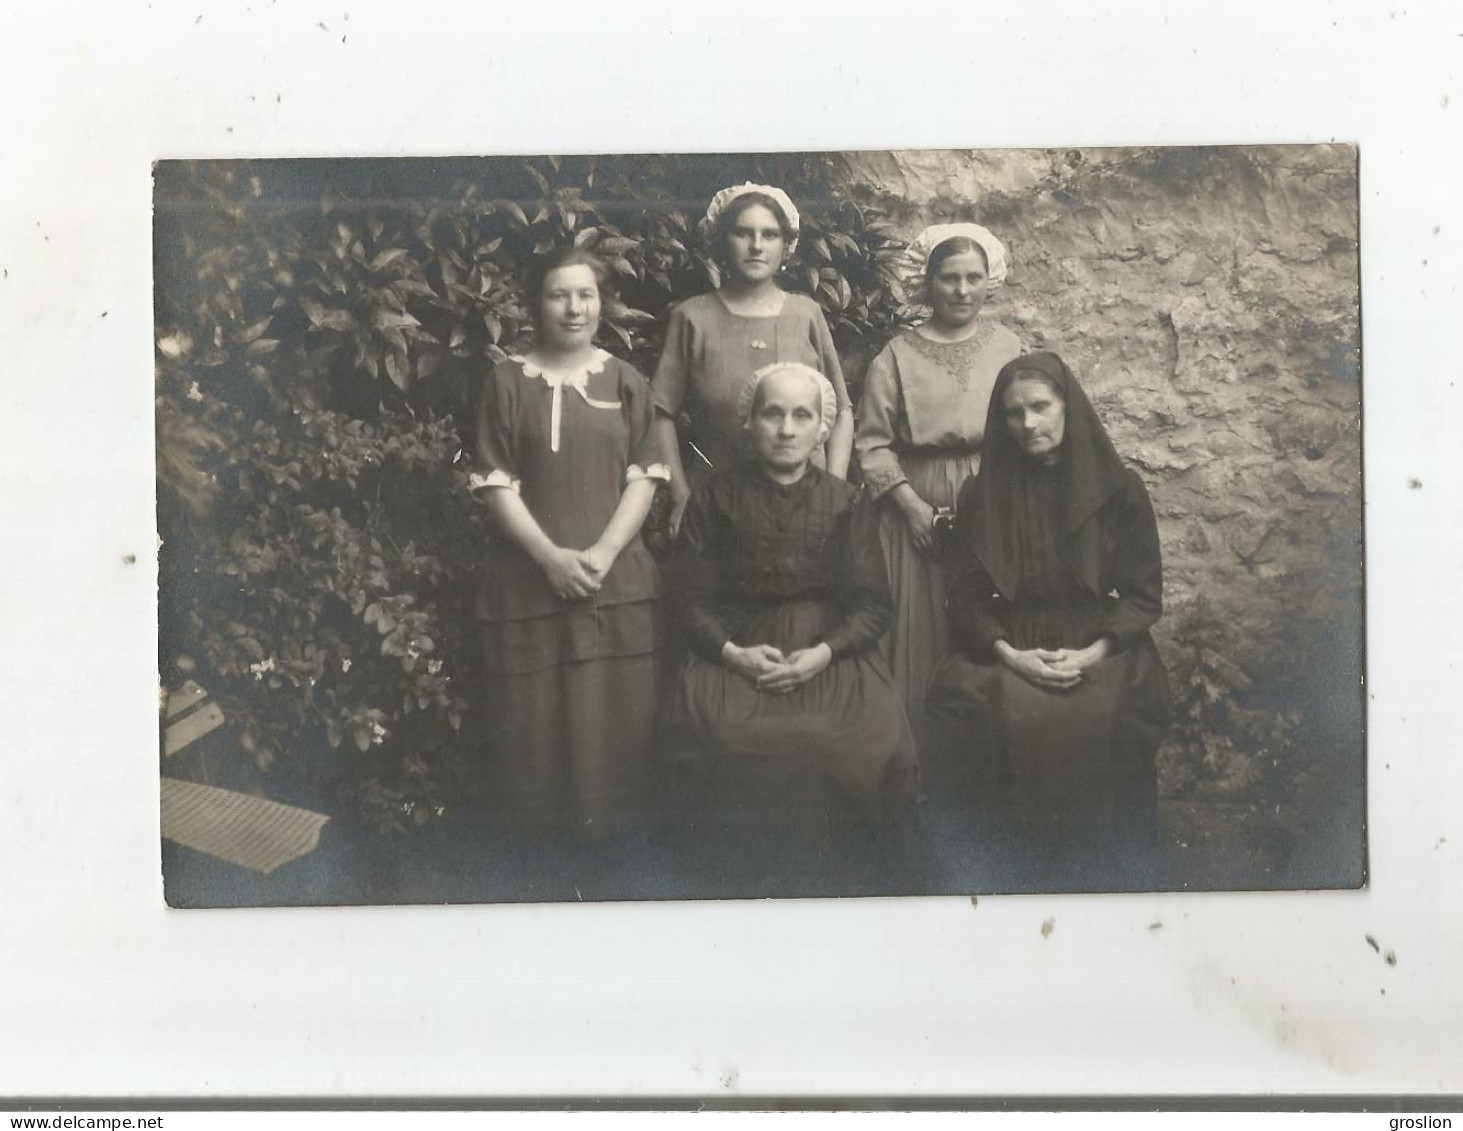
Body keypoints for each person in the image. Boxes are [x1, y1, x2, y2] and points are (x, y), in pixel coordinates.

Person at [927, 352, 1171, 879]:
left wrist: (1091, 654)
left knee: (1099, 713)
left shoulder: (1121, 490)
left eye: (1040, 406)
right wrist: (1013, 657)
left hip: (1097, 640)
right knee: (1002, 711)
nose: (1028, 423)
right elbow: (964, 600)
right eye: (1014, 413)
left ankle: (1103, 874)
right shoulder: (981, 494)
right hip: (1012, 640)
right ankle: (1010, 874)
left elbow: (1142, 596)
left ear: (1068, 407)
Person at [659, 361, 917, 827]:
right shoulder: (713, 497)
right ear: (749, 421)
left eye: (802, 416)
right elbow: (686, 599)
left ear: (822, 429)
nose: (785, 429)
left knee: (849, 735)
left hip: (827, 648)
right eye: (772, 414)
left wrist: (823, 653)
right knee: (722, 735)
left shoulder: (846, 501)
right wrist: (733, 654)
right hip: (734, 645)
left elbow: (873, 605)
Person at [470, 247, 669, 839]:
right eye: (559, 294)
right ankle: (540, 863)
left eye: (585, 295)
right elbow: (494, 482)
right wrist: (551, 559)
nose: (574, 308)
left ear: (602, 302)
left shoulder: (624, 380)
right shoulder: (506, 381)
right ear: (536, 303)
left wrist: (603, 555)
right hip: (530, 579)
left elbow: (646, 476)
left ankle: (614, 858)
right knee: (533, 727)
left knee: (613, 721)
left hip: (615, 580)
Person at [855, 223, 1022, 750]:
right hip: (917, 501)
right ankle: (915, 762)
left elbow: (1025, 425)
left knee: (986, 620)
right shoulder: (897, 356)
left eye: (974, 277)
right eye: (949, 278)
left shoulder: (1008, 345)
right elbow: (872, 443)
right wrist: (910, 509)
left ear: (989, 280)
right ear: (928, 283)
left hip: (990, 491)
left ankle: (980, 768)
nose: (962, 290)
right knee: (921, 626)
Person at [652, 182, 854, 533]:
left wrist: (831, 492)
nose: (757, 246)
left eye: (770, 235)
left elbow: (842, 412)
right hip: (714, 504)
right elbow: (660, 414)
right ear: (722, 240)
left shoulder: (806, 314)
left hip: (804, 506)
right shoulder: (693, 317)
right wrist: (682, 496)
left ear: (785, 245)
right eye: (743, 233)